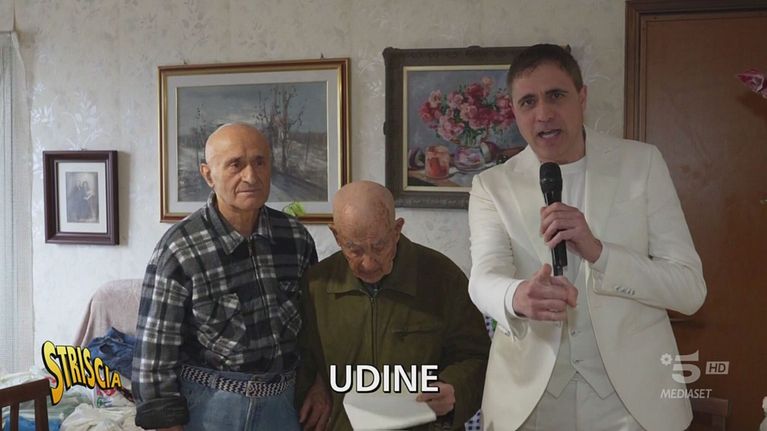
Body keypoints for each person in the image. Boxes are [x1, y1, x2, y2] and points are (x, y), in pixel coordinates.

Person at [468, 44, 706, 431]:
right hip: (529, 403)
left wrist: (600, 253)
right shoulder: (491, 186)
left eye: (556, 95)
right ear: (514, 111)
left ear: (581, 97)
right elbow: (483, 278)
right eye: (528, 102)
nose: (543, 113)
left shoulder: (641, 164)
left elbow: (689, 290)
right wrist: (518, 296)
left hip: (633, 405)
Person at [132, 123, 318, 431]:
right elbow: (154, 352)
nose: (251, 176)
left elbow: (314, 331)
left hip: (282, 406)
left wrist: (320, 384)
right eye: (236, 165)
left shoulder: (295, 238)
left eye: (260, 162)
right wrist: (167, 423)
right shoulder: (181, 247)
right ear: (208, 175)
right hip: (209, 407)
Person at [297, 181, 489, 431]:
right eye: (354, 249)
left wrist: (454, 389)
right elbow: (302, 358)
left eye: (379, 246)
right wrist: (316, 381)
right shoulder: (317, 285)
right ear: (336, 236)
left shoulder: (443, 277)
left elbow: (477, 356)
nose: (368, 263)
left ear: (396, 230)